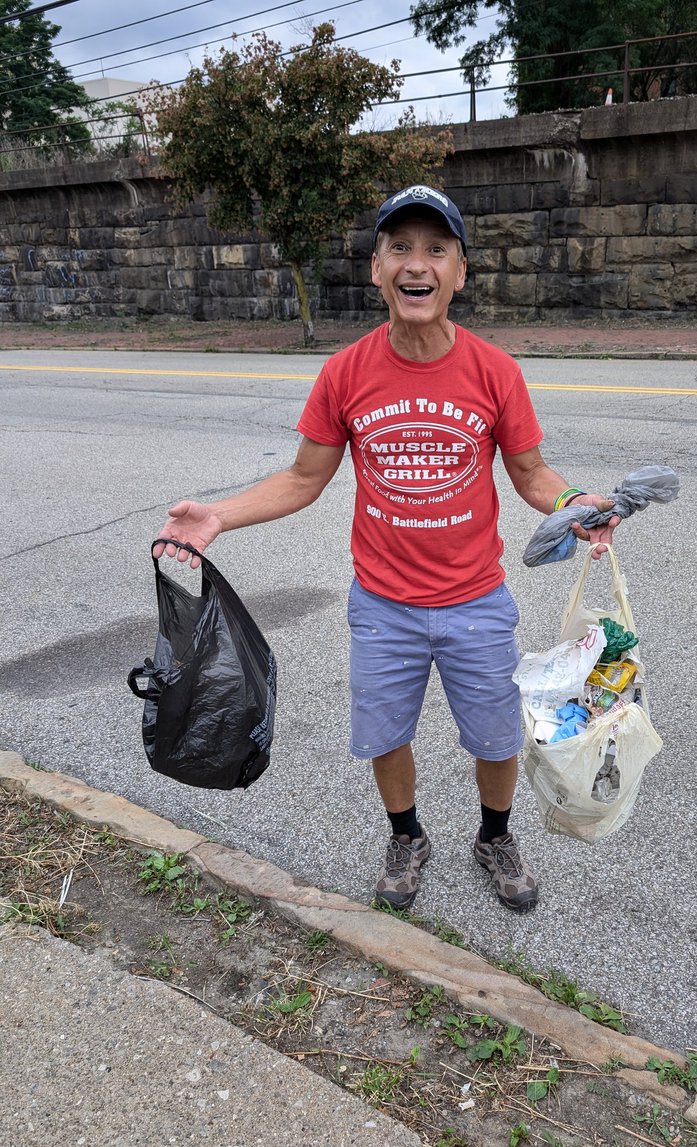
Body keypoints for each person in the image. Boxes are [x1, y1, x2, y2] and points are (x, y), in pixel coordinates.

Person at [155, 183, 618, 913]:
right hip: (383, 606)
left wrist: (573, 503)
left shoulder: (495, 371)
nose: (417, 263)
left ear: (460, 272)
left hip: (476, 600)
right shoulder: (345, 372)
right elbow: (303, 477)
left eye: (436, 249)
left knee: (496, 737)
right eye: (399, 247)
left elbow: (532, 474)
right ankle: (407, 836)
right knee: (385, 735)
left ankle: (494, 836)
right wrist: (220, 516)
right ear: (377, 269)